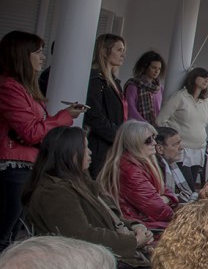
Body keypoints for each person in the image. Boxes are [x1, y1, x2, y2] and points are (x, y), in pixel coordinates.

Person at [22, 127, 159, 269]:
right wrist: (134, 242)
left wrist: (134, 227)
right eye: (85, 148)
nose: (90, 153)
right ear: (69, 152)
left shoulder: (79, 182)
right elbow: (82, 235)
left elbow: (112, 217)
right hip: (82, 268)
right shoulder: (54, 191)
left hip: (104, 259)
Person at [0, 31, 80, 249]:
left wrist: (63, 116)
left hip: (24, 165)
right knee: (6, 232)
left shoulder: (22, 88)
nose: (43, 57)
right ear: (20, 54)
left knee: (13, 230)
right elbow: (31, 131)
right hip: (13, 167)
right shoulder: (9, 87)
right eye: (37, 52)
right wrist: (64, 117)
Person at [99, 119, 177, 232]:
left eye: (154, 138)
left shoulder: (141, 163)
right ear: (134, 143)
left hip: (146, 222)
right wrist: (168, 201)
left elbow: (167, 192)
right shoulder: (129, 170)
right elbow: (159, 211)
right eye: (148, 140)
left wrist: (166, 199)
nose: (154, 143)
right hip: (140, 227)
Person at [156, 67, 208, 190]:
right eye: (203, 77)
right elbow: (160, 120)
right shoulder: (180, 96)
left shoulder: (206, 101)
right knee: (187, 186)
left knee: (191, 187)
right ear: (194, 77)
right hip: (182, 150)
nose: (206, 81)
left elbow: (203, 123)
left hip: (198, 149)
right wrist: (173, 138)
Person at [85, 33, 127, 178]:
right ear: (104, 51)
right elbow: (93, 115)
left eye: (123, 51)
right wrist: (118, 135)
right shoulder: (95, 79)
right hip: (99, 146)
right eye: (119, 50)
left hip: (111, 146)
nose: (123, 55)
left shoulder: (114, 81)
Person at [154, 126, 197, 203]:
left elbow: (190, 193)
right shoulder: (156, 171)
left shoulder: (180, 167)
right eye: (175, 144)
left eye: (179, 143)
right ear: (160, 149)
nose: (181, 148)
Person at [122, 50, 164, 125]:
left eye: (159, 68)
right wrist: (145, 124)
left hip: (157, 128)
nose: (157, 71)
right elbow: (131, 109)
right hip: (137, 128)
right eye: (154, 67)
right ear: (145, 67)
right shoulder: (133, 85)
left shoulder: (159, 88)